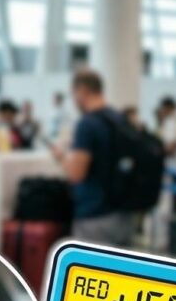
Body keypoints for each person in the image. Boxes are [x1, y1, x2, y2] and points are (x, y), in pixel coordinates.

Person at [51, 70, 136, 246]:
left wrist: (61, 157)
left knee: (93, 271)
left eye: (73, 94)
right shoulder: (119, 120)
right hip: (124, 213)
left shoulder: (87, 124)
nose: (74, 101)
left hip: (95, 215)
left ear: (82, 90)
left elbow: (76, 174)